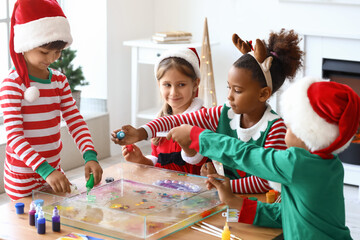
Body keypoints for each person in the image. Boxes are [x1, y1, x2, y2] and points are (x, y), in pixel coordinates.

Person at [166, 77, 359, 239]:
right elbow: (285, 214)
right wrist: (234, 202)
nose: (286, 129)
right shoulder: (329, 164)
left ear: (308, 134)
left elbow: (246, 154)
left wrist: (198, 137)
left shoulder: (297, 164)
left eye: (291, 126)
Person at [113, 29, 304, 193]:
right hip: (225, 195)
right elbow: (177, 121)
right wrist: (141, 132)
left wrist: (227, 185)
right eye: (228, 87)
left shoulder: (276, 128)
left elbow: (266, 180)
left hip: (257, 203)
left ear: (263, 94)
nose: (229, 96)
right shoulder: (224, 112)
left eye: (237, 90)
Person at [0, 0, 103, 201]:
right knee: (28, 228)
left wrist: (89, 154)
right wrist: (45, 170)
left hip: (53, 171)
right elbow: (14, 137)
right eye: (44, 52)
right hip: (23, 177)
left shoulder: (58, 80)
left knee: (61, 222)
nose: (51, 58)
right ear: (25, 45)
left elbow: (74, 120)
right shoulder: (12, 84)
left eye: (57, 52)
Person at [111, 48, 208, 174]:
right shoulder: (159, 121)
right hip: (166, 189)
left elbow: (199, 161)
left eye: (181, 84)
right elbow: (158, 160)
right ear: (159, 84)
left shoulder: (203, 118)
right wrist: (141, 160)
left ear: (195, 84)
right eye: (167, 85)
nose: (174, 92)